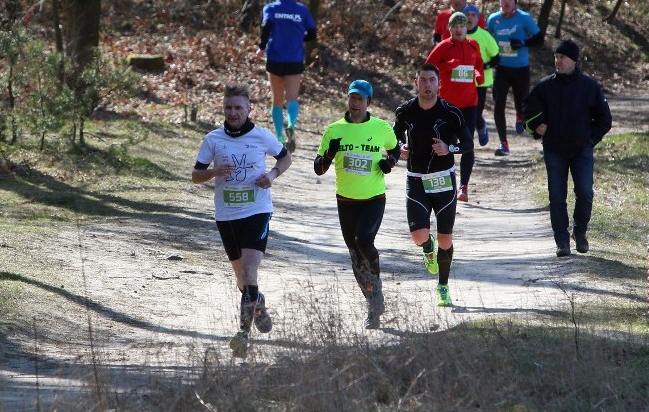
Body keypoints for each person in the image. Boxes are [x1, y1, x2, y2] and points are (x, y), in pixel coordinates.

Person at [192, 84, 292, 357]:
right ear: (223, 109)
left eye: (238, 107)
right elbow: (195, 175)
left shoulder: (262, 136)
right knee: (243, 281)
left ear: (249, 109)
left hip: (257, 211)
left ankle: (243, 335)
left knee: (249, 271)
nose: (233, 113)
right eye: (228, 108)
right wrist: (214, 172)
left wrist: (271, 177)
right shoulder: (213, 139)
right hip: (226, 216)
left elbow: (285, 158)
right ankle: (257, 301)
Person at [313, 80, 400, 329]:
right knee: (355, 257)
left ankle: (377, 285)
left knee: (364, 242)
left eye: (360, 99)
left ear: (368, 102)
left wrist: (390, 163)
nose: (355, 103)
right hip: (346, 202)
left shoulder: (381, 128)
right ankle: (372, 304)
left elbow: (396, 150)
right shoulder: (334, 130)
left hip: (373, 199)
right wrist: (329, 155)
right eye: (352, 98)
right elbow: (318, 169)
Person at [393, 65, 473, 307]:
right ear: (415, 82)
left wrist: (450, 148)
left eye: (432, 80)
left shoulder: (451, 112)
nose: (427, 85)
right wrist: (400, 150)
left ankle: (443, 286)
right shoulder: (405, 111)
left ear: (439, 84)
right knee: (419, 235)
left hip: (443, 180)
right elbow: (392, 139)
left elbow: (468, 143)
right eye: (423, 80)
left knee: (445, 240)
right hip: (416, 178)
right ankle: (426, 248)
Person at [522, 40, 612, 257]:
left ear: (574, 61)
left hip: (582, 150)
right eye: (556, 57)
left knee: (585, 192)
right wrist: (537, 126)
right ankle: (562, 241)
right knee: (556, 197)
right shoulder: (545, 86)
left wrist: (590, 140)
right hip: (554, 149)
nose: (558, 61)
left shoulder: (589, 87)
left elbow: (604, 118)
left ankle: (580, 232)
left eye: (562, 57)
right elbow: (528, 108)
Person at [425, 12, 485, 203]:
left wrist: (479, 74)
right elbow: (428, 68)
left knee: (467, 144)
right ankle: (443, 184)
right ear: (449, 29)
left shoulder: (473, 45)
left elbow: (479, 63)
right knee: (444, 143)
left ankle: (464, 187)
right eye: (455, 26)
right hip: (447, 105)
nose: (459, 29)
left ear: (467, 28)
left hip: (469, 102)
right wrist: (448, 66)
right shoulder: (443, 46)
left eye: (462, 25)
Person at [257, 0, 317, 153]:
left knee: (276, 100)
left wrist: (261, 47)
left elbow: (266, 25)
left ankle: (281, 137)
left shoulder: (271, 8)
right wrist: (300, 37)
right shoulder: (302, 10)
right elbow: (313, 33)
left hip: (275, 57)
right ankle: (291, 124)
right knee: (292, 98)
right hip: (295, 59)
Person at [486, 0, 544, 156]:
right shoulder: (493, 19)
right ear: (499, 2)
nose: (506, 1)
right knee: (499, 106)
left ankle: (519, 115)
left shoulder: (524, 18)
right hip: (501, 68)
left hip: (520, 68)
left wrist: (522, 42)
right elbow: (487, 39)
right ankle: (504, 143)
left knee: (521, 103)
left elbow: (539, 39)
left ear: (515, 2)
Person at [463, 4, 500, 148]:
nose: (470, 17)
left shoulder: (484, 36)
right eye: (467, 15)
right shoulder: (459, 35)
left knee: (475, 113)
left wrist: (484, 66)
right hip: (462, 81)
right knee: (463, 112)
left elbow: (496, 58)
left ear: (478, 19)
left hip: (481, 82)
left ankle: (479, 127)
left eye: (473, 15)